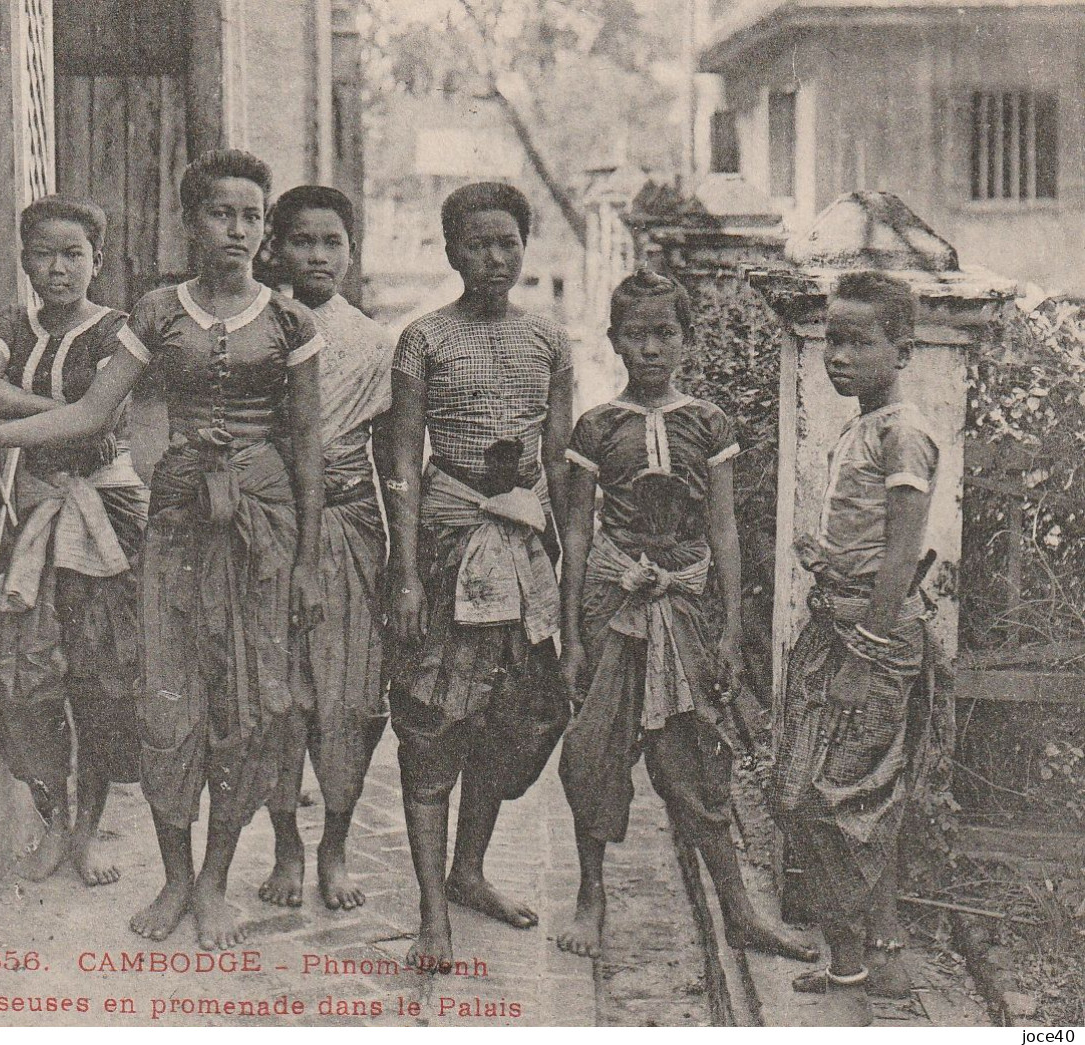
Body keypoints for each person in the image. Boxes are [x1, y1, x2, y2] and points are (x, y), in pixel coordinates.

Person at [0, 149, 325, 952]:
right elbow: (90, 413)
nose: (235, 229)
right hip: (172, 522)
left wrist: (306, 558)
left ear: (263, 225)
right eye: (219, 213)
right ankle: (173, 878)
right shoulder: (158, 311)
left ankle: (212, 880)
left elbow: (306, 443)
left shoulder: (288, 322)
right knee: (165, 699)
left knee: (245, 704)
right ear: (190, 220)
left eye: (249, 215)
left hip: (260, 531)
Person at [553, 270, 817, 965]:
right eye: (635, 334)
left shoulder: (708, 423)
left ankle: (738, 911)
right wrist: (572, 635)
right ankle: (591, 895)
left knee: (693, 759)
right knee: (594, 750)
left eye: (664, 332)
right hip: (612, 606)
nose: (649, 348)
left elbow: (723, 529)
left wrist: (730, 628)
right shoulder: (596, 426)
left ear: (687, 339)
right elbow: (577, 533)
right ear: (613, 341)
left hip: (686, 606)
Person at [384, 181, 573, 973]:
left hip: (523, 544)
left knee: (506, 717)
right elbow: (400, 463)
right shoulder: (423, 339)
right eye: (476, 243)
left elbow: (558, 465)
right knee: (433, 719)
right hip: (446, 537)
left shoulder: (548, 341)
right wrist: (404, 572)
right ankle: (432, 908)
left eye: (507, 242)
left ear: (524, 247)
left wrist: (566, 570)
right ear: (451, 250)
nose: (493, 258)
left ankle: (469, 872)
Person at [0, 195, 149, 888]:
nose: (58, 268)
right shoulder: (11, 325)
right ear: (25, 260)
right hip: (36, 516)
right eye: (42, 253)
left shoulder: (119, 331)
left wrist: (59, 421)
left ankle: (88, 831)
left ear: (96, 259)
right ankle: (54, 822)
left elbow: (105, 421)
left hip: (107, 513)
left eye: (73, 254)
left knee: (98, 677)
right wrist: (72, 416)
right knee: (31, 678)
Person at [769, 271, 941, 1020]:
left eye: (856, 340)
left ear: (899, 350)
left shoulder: (904, 430)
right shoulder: (863, 425)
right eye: (831, 337)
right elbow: (868, 539)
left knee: (840, 797)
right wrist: (826, 558)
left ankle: (863, 968)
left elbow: (902, 554)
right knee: (826, 791)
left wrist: (866, 648)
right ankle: (871, 958)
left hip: (871, 639)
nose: (836, 353)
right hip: (838, 622)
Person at [257, 185, 391, 912]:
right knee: (276, 694)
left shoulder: (374, 343)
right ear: (274, 245)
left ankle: (333, 845)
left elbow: (392, 457)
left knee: (350, 694)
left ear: (350, 248)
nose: (317, 255)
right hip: (268, 528)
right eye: (301, 240)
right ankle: (285, 842)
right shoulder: (256, 324)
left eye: (331, 241)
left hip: (347, 523)